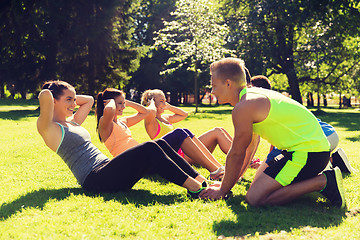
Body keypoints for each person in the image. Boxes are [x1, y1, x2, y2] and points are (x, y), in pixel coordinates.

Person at [200, 58, 346, 208]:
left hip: (308, 153)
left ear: (228, 84)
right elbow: (247, 149)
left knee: (255, 198)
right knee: (256, 189)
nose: (212, 92)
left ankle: (324, 181)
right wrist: (228, 183)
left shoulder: (244, 106)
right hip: (303, 150)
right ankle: (312, 180)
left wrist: (222, 190)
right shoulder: (251, 98)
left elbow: (236, 153)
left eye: (214, 86)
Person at [36, 80, 210, 198]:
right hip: (95, 179)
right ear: (54, 101)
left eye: (74, 100)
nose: (74, 104)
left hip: (107, 169)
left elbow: (88, 100)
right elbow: (45, 94)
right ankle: (195, 189)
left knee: (161, 144)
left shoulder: (72, 122)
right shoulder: (49, 128)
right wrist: (55, 91)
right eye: (68, 100)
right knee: (150, 147)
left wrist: (69, 96)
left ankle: (202, 181)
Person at [94, 88, 224, 180]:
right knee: (178, 133)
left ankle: (217, 169)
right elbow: (110, 110)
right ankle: (215, 171)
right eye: (120, 104)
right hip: (135, 163)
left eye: (123, 104)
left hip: (143, 156)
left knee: (184, 132)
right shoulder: (105, 124)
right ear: (109, 103)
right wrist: (111, 103)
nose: (123, 107)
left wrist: (126, 101)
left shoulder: (122, 121)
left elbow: (144, 112)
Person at [249, 75, 354, 175]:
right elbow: (274, 146)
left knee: (289, 166)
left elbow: (272, 149)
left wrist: (265, 164)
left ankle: (328, 171)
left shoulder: (266, 109)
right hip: (329, 133)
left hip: (321, 138)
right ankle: (334, 160)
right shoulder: (278, 101)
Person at [141, 89, 227, 179]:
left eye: (165, 101)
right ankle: (219, 170)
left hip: (184, 151)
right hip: (176, 156)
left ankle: (219, 168)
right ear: (152, 103)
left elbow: (184, 114)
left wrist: (169, 107)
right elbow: (151, 111)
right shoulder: (151, 121)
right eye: (161, 101)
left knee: (217, 131)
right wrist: (151, 103)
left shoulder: (165, 118)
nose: (164, 104)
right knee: (215, 132)